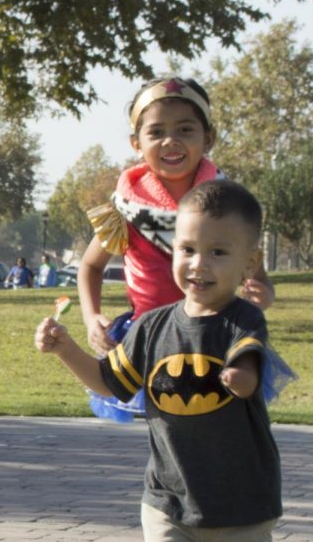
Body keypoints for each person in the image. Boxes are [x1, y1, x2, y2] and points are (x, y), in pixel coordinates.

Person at [34, 180, 300, 542]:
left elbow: (249, 363)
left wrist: (242, 381)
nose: (198, 264)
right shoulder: (153, 327)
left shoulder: (242, 321)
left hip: (240, 503)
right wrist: (65, 352)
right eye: (186, 249)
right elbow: (110, 381)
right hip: (169, 499)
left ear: (248, 262)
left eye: (218, 253)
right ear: (171, 249)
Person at [77, 76, 276, 422]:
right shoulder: (126, 209)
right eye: (156, 133)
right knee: (165, 426)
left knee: (216, 420)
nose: (171, 141)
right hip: (151, 336)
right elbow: (90, 267)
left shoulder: (224, 206)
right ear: (136, 143)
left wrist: (263, 295)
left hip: (215, 334)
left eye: (185, 130)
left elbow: (255, 273)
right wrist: (92, 316)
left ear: (208, 138)